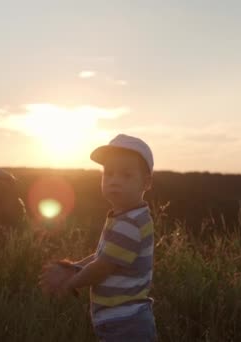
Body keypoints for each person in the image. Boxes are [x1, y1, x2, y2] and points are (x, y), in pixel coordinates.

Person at [39, 134, 157, 341]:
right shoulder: (125, 216)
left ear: (146, 183)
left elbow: (103, 266)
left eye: (126, 175)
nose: (114, 181)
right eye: (109, 174)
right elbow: (101, 256)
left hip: (126, 322)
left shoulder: (130, 224)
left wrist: (69, 283)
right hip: (120, 319)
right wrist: (73, 267)